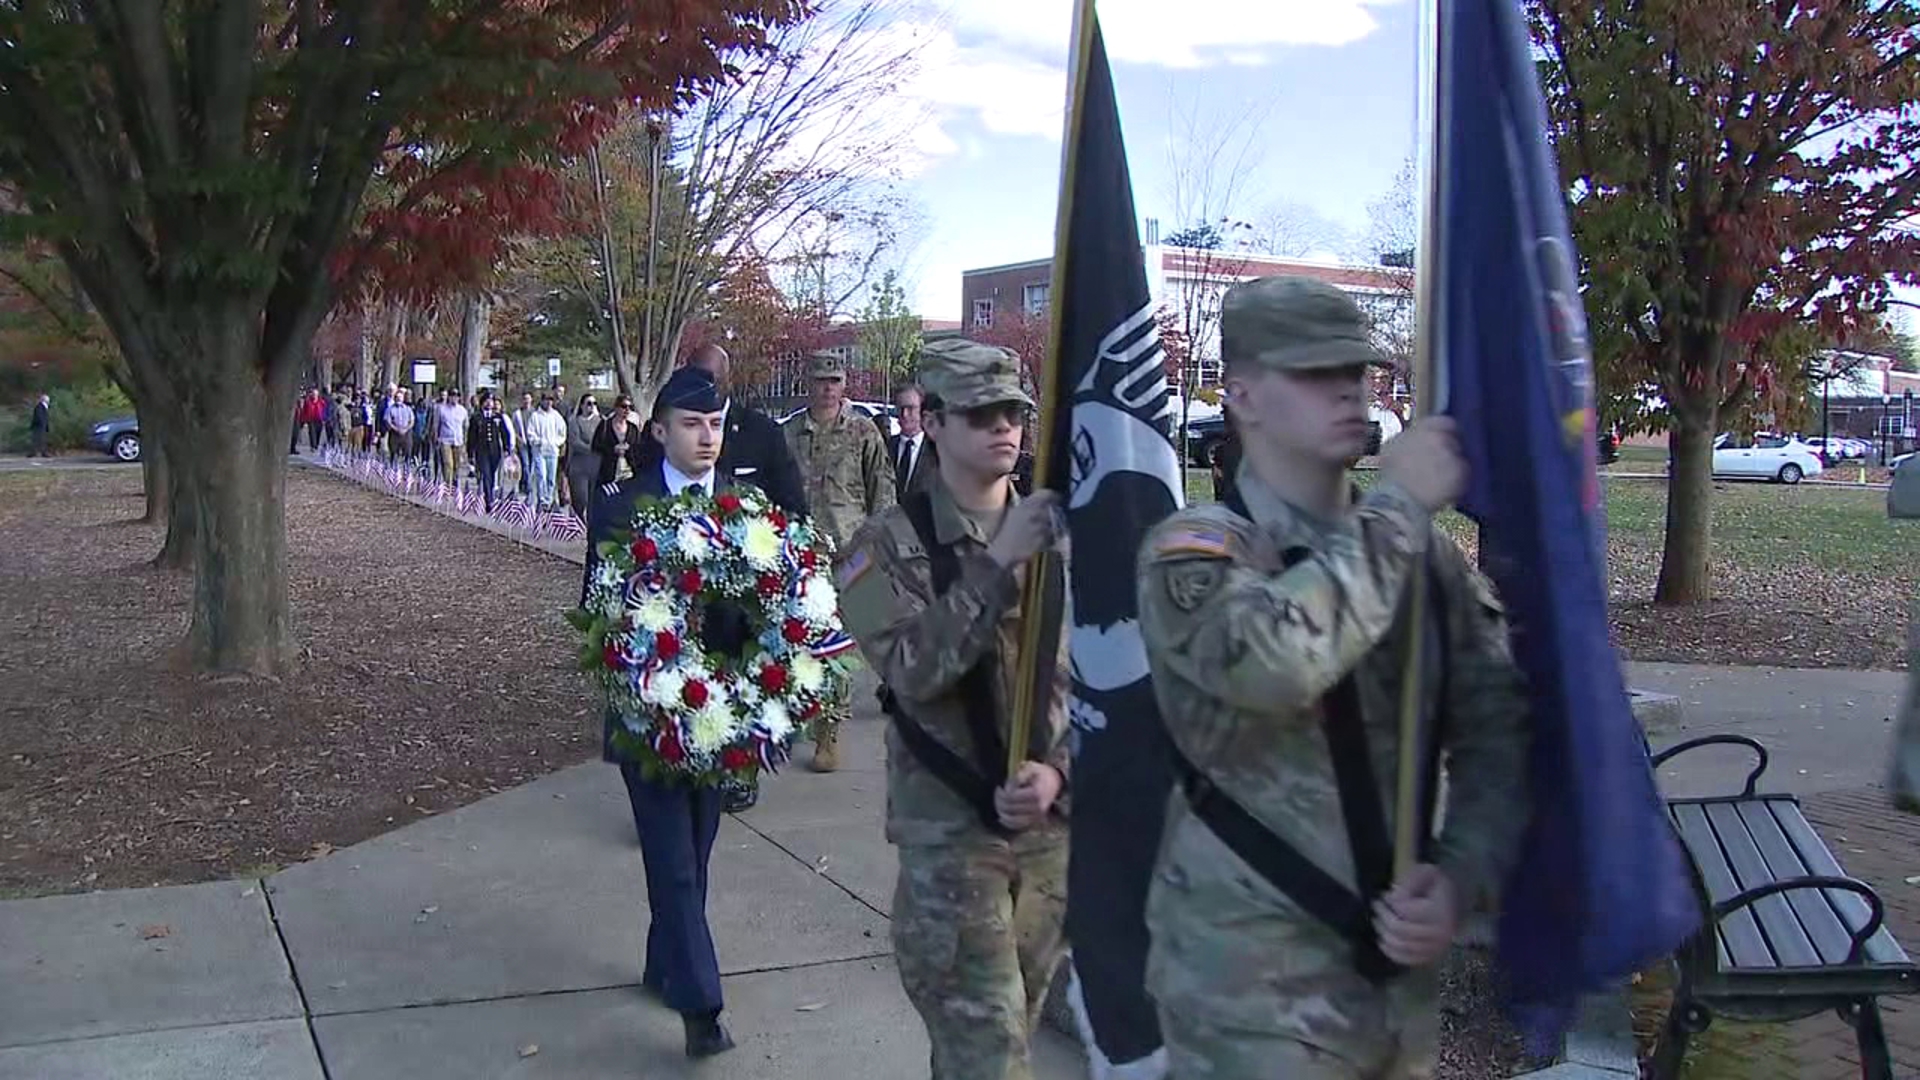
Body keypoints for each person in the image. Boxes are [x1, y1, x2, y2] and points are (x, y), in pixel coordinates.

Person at [1134, 276, 1531, 1080]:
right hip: (1246, 989)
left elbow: (1500, 733)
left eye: (1359, 371)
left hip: (1394, 983)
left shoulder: (1417, 554)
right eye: (1317, 373)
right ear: (1241, 393)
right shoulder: (1195, 548)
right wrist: (1398, 511)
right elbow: (1275, 662)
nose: (1351, 389)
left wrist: (1459, 879)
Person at [837, 339, 1073, 1080]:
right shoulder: (877, 549)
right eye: (980, 414)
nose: (1004, 427)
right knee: (990, 1057)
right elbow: (912, 670)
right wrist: (997, 563)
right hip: (949, 845)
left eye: (1014, 412)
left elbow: (1105, 681)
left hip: (1046, 838)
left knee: (997, 1043)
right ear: (933, 423)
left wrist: (1060, 775)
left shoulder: (1066, 537)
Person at [582, 365, 746, 1060]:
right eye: (690, 424)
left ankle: (663, 964)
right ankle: (701, 1006)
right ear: (659, 431)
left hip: (719, 719)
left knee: (696, 859)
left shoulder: (746, 509)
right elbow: (599, 606)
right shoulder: (622, 504)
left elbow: (767, 614)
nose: (705, 437)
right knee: (674, 864)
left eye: (714, 424)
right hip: (648, 714)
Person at [783, 351, 896, 772]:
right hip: (802, 551)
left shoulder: (863, 431)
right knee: (801, 636)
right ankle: (800, 714)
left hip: (851, 552)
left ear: (844, 384)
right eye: (820, 380)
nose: (827, 387)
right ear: (807, 383)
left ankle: (829, 729)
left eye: (834, 380)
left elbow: (882, 490)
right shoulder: (792, 432)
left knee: (841, 642)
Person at [466, 392, 514, 512]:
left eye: (491, 401)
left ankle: (490, 494)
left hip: (494, 450)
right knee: (486, 474)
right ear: (483, 403)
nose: (489, 403)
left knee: (492, 474)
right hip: (482, 450)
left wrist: (507, 447)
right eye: (487, 401)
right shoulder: (476, 417)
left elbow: (504, 433)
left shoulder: (497, 417)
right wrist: (470, 453)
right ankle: (489, 500)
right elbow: (471, 436)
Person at [889, 384, 937, 501]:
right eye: (900, 408)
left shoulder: (938, 452)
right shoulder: (884, 446)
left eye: (910, 408)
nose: (904, 414)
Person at [526, 393, 568, 509]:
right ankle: (542, 498)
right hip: (539, 451)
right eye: (546, 400)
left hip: (552, 451)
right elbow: (530, 433)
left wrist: (556, 443)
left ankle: (549, 499)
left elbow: (562, 432)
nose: (549, 402)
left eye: (551, 400)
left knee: (551, 477)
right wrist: (538, 441)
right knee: (542, 475)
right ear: (542, 401)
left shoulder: (556, 416)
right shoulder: (535, 416)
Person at [592, 394, 646, 486]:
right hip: (609, 470)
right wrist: (613, 449)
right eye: (624, 406)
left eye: (630, 407)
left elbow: (640, 448)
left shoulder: (633, 428)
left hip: (629, 470)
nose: (627, 410)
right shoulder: (605, 425)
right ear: (616, 408)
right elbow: (595, 446)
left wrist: (629, 449)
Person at [566, 393, 603, 519]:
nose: (591, 406)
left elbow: (604, 440)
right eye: (588, 403)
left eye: (594, 404)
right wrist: (593, 447)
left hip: (596, 464)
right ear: (581, 405)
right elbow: (575, 441)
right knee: (581, 498)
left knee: (594, 499)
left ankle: (591, 527)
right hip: (579, 465)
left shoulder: (601, 422)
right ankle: (578, 523)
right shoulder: (574, 421)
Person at [434, 388, 470, 487]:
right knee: (448, 463)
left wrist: (465, 440)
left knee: (457, 465)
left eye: (456, 396)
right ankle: (447, 486)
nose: (454, 398)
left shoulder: (462, 410)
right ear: (449, 397)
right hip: (445, 440)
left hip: (458, 440)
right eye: (452, 396)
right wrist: (436, 437)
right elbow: (436, 424)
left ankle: (455, 483)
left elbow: (466, 425)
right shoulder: (441, 409)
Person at [511, 392, 537, 497]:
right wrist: (518, 439)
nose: (526, 401)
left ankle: (524, 484)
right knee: (525, 465)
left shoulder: (535, 413)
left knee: (531, 466)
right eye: (524, 399)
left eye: (528, 398)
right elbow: (513, 429)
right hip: (522, 443)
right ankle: (529, 487)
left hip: (533, 443)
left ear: (531, 400)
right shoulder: (517, 414)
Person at [385, 390, 415, 462]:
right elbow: (388, 422)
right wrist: (396, 429)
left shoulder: (408, 409)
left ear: (403, 398)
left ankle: (406, 470)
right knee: (394, 454)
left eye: (400, 397)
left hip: (406, 434)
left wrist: (406, 429)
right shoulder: (390, 409)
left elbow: (412, 421)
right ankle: (393, 470)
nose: (398, 399)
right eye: (397, 397)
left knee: (407, 454)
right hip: (394, 434)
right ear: (395, 398)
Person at [28, 393, 50, 458]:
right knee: (39, 440)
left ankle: (36, 452)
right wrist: (43, 425)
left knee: (39, 440)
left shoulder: (41, 407)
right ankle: (38, 452)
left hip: (40, 426)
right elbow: (39, 417)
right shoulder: (40, 407)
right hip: (39, 427)